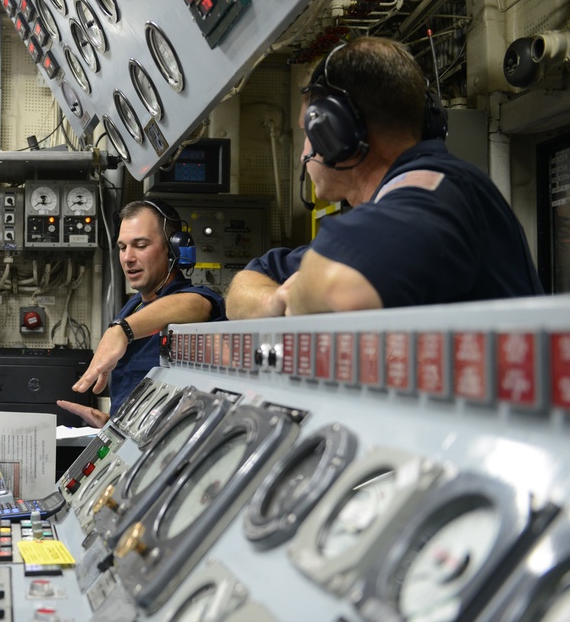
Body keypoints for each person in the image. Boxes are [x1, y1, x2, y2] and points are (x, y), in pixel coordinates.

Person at [226, 37, 543, 318]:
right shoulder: (390, 214)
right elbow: (244, 286)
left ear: (334, 131)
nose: (302, 153)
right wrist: (278, 297)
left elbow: (336, 289)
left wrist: (306, 286)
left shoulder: (437, 190)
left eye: (306, 133)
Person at [58, 199, 226, 427]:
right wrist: (113, 422)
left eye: (141, 245)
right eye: (123, 247)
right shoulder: (133, 307)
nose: (127, 257)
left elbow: (198, 304)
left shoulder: (193, 299)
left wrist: (123, 331)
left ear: (173, 249)